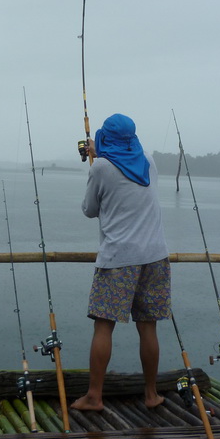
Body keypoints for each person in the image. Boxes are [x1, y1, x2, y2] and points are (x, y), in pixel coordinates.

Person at [70, 113, 171, 411]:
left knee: (104, 327)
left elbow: (90, 210)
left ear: (104, 139)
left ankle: (94, 396)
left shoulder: (101, 167)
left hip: (119, 259)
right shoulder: (149, 161)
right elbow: (126, 169)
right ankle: (151, 394)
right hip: (156, 256)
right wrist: (99, 151)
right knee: (148, 327)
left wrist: (97, 156)